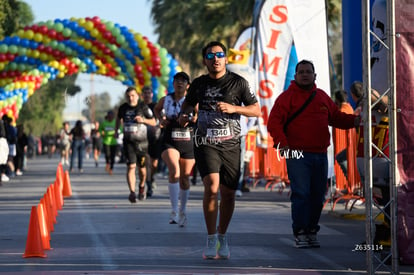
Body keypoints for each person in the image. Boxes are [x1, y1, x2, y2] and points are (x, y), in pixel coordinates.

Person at [179, 41, 260, 259]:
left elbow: (257, 110)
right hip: (205, 142)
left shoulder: (238, 83)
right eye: (210, 55)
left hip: (231, 144)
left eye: (220, 55)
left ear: (225, 59)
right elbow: (187, 105)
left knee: (228, 193)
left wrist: (234, 108)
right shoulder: (198, 84)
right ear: (205, 60)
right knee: (212, 187)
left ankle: (222, 236)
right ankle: (211, 237)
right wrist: (185, 115)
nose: (215, 59)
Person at [267, 59, 361, 248]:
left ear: (314, 75)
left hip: (319, 154)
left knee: (318, 195)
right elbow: (274, 123)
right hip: (297, 154)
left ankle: (311, 230)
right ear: (295, 76)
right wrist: (283, 144)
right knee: (301, 194)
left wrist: (357, 121)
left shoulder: (322, 97)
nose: (304, 74)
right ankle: (300, 232)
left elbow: (336, 118)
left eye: (308, 71)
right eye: (301, 72)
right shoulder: (286, 97)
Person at [154, 72, 197, 227]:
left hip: (187, 141)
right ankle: (173, 211)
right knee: (174, 171)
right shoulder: (166, 99)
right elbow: (156, 109)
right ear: (173, 84)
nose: (179, 83)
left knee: (185, 177)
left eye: (183, 81)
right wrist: (161, 119)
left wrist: (190, 119)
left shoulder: (192, 101)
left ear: (187, 85)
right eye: (177, 80)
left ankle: (182, 211)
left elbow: (198, 117)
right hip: (170, 140)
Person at [115, 86, 156, 203]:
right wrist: (116, 131)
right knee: (131, 166)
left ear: (138, 96)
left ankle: (142, 186)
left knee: (142, 169)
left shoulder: (143, 107)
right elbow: (118, 119)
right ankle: (132, 192)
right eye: (128, 96)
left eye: (133, 96)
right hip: (128, 142)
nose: (130, 98)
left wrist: (143, 120)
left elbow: (153, 121)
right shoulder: (123, 108)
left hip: (142, 143)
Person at [142, 86, 162, 198]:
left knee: (154, 164)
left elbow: (158, 121)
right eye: (145, 93)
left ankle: (151, 177)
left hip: (155, 137)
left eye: (148, 93)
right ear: (142, 95)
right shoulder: (139, 107)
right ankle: (148, 186)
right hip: (142, 139)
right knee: (146, 163)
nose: (147, 95)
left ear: (152, 95)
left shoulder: (156, 106)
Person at [235, 115, 257, 197]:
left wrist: (245, 130)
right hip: (226, 136)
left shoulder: (243, 102)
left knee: (240, 163)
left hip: (240, 136)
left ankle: (238, 188)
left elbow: (253, 117)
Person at [99, 110, 118, 175]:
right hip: (106, 141)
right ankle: (107, 163)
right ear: (108, 116)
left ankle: (111, 169)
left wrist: (117, 133)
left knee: (112, 157)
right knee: (107, 154)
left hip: (113, 142)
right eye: (109, 116)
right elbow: (100, 129)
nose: (110, 117)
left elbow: (121, 129)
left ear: (113, 116)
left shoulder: (116, 122)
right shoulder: (104, 123)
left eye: (112, 116)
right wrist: (102, 133)